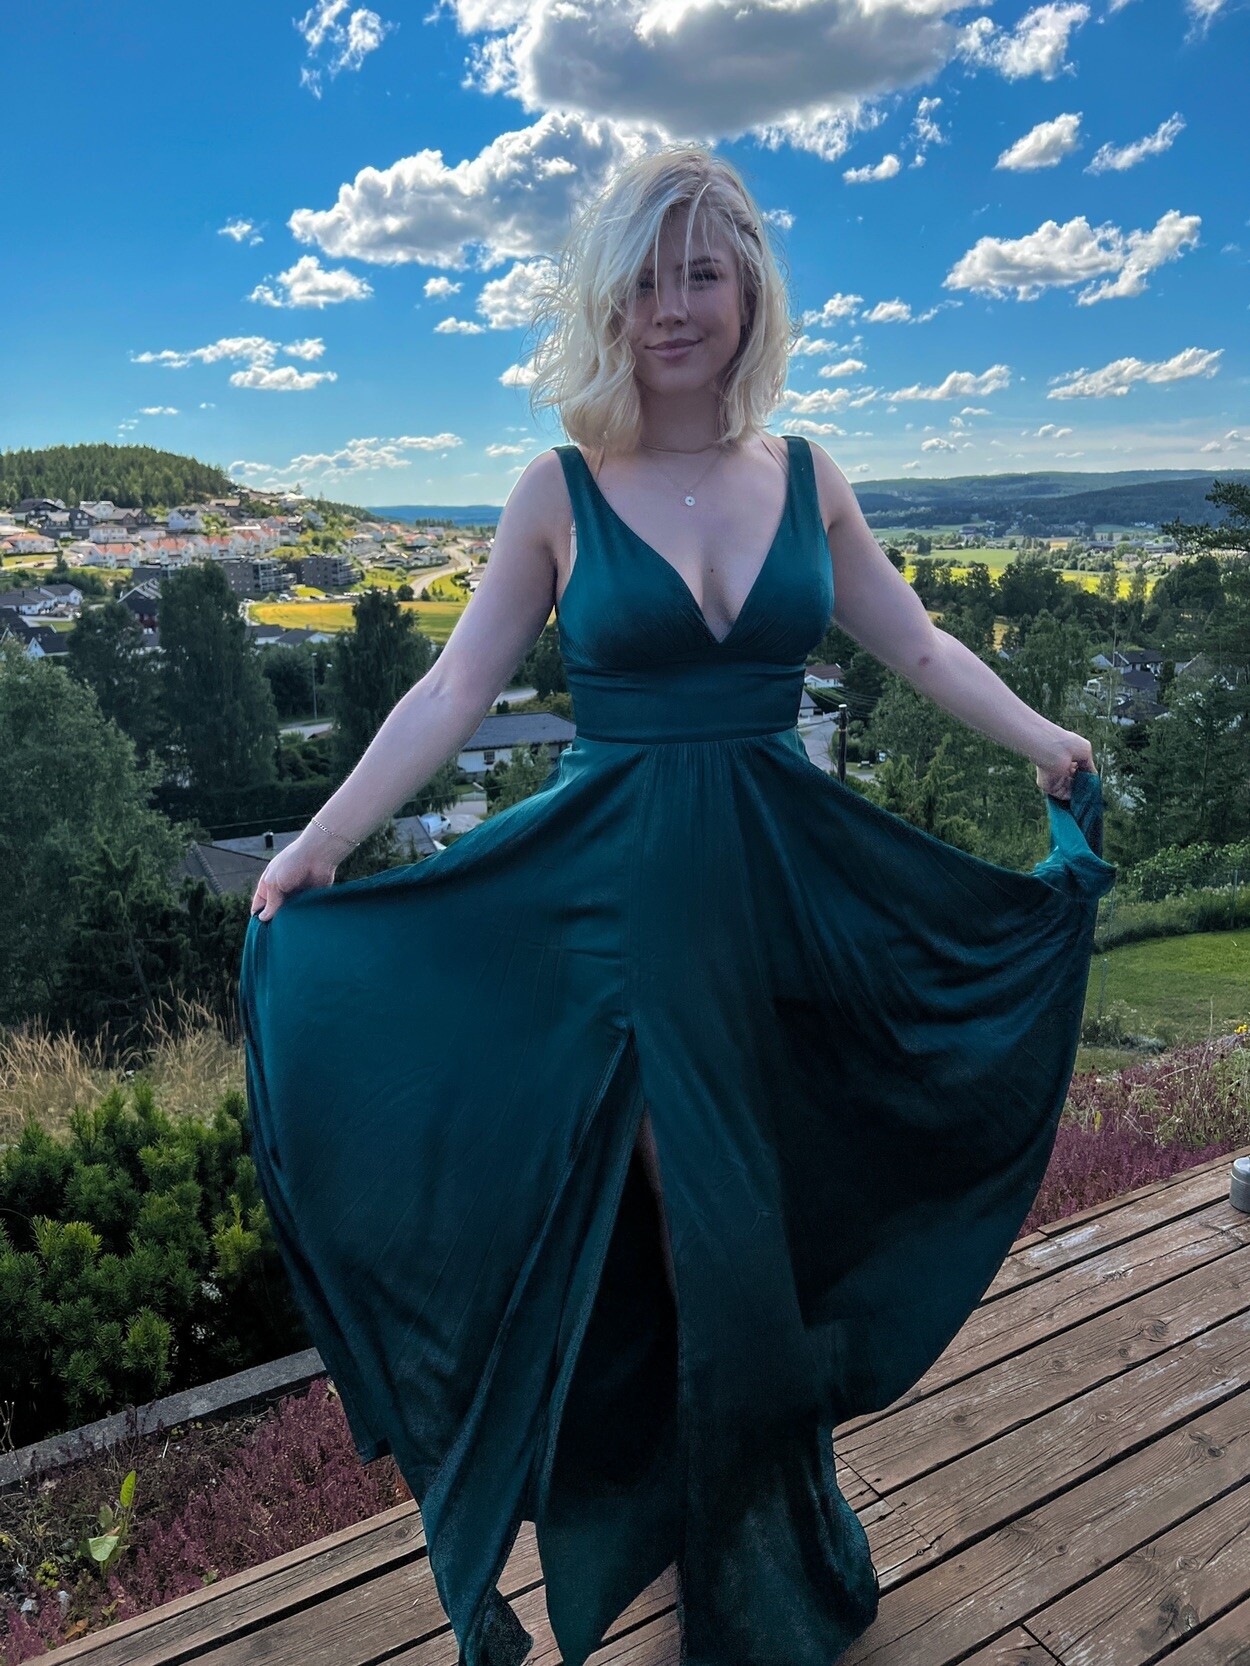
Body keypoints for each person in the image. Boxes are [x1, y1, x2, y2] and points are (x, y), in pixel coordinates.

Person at [239, 144, 1116, 1666]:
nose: (671, 306)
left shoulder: (809, 478)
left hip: (780, 902)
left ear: (749, 292)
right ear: (606, 302)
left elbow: (915, 646)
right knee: (716, 1242)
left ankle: (716, 1516)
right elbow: (453, 691)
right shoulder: (559, 489)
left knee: (760, 1224)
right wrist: (320, 843)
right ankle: (757, 1581)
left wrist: (1044, 739)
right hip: (615, 919)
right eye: (642, 279)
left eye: (700, 273)